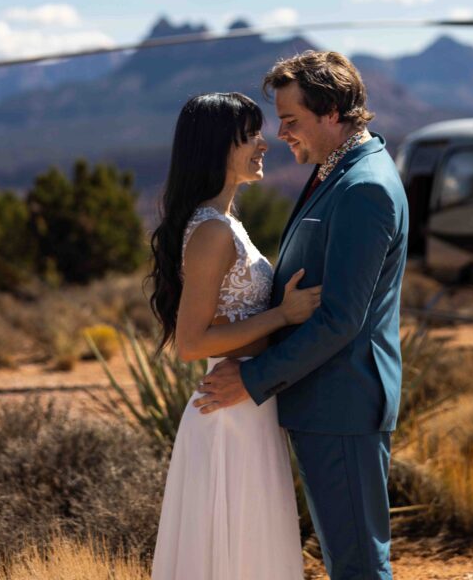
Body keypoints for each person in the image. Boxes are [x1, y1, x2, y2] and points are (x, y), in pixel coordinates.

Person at [193, 51, 409, 580]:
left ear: (332, 110)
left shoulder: (364, 189)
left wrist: (251, 377)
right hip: (322, 401)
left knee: (358, 563)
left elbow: (340, 319)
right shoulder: (336, 173)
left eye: (291, 120)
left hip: (344, 403)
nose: (282, 134)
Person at [149, 91, 321, 580]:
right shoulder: (211, 232)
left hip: (248, 405)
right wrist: (283, 316)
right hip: (229, 414)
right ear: (214, 147)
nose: (262, 144)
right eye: (248, 136)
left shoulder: (227, 224)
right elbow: (191, 342)